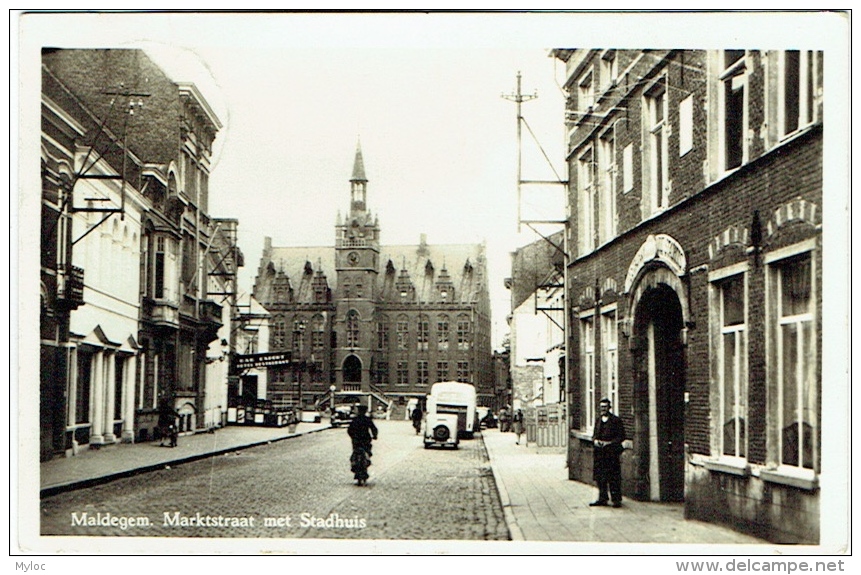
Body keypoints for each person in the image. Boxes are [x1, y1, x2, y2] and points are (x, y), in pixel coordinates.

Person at [590, 398, 626, 508]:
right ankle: (602, 498)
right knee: (600, 477)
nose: (603, 409)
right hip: (600, 454)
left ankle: (616, 500)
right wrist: (595, 440)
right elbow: (595, 434)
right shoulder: (598, 420)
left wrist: (609, 443)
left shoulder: (616, 421)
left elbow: (621, 436)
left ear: (609, 408)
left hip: (611, 454)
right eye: (601, 407)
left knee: (613, 477)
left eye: (605, 407)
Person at [347, 404, 378, 486]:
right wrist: (375, 436)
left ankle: (354, 465)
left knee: (355, 453)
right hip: (365, 440)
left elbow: (349, 430)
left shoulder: (355, 419)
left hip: (357, 440)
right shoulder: (367, 419)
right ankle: (365, 464)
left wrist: (353, 436)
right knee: (367, 453)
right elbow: (374, 428)